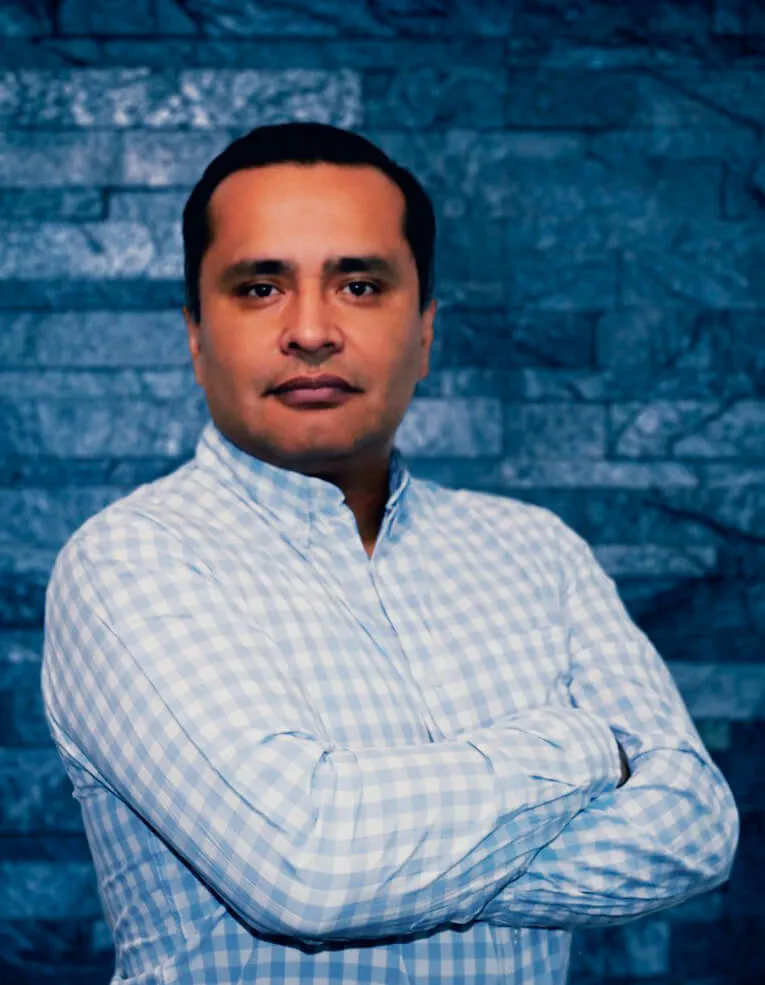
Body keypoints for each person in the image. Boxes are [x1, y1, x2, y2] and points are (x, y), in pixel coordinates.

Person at [41, 121, 739, 985]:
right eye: (260, 287)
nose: (310, 330)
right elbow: (308, 871)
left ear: (424, 330)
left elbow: (694, 829)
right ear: (194, 333)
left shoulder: (536, 551)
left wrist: (396, 866)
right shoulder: (129, 563)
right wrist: (588, 747)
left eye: (359, 285)